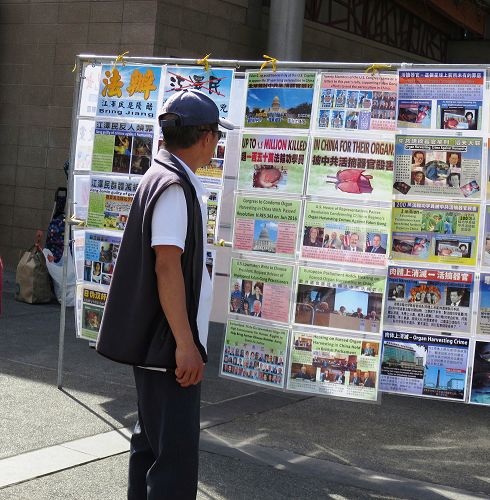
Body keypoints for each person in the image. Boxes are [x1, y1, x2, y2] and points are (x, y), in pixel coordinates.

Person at [96, 89, 235, 499]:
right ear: (207, 137)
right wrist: (186, 344)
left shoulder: (161, 174)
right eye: (217, 137)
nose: (217, 145)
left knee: (150, 447)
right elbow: (166, 266)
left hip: (157, 344)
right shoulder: (174, 186)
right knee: (173, 462)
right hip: (167, 346)